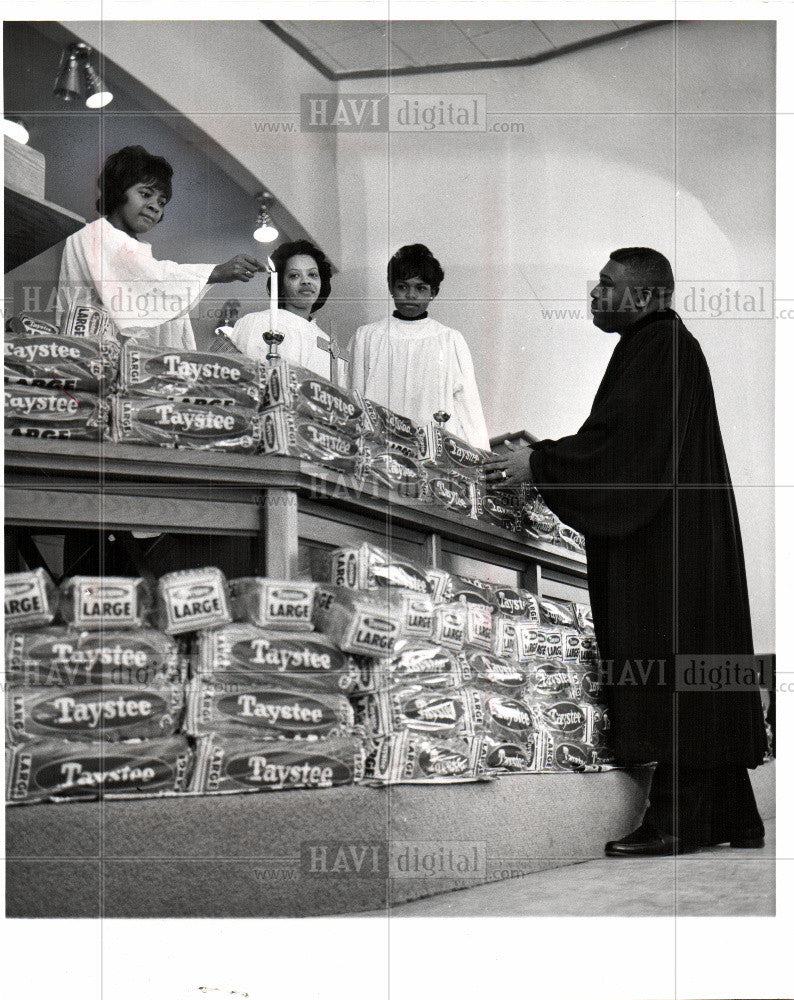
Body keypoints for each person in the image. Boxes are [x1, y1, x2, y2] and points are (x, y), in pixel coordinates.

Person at [482, 247, 767, 856]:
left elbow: (626, 452)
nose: (594, 294)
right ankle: (731, 818)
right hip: (687, 538)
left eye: (607, 285)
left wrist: (540, 463)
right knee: (697, 666)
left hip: (664, 545)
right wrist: (549, 452)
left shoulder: (658, 347)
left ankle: (678, 823)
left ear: (641, 297)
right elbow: (621, 442)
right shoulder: (667, 345)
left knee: (670, 664)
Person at [56, 145, 265, 350]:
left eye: (162, 202)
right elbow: (147, 280)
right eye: (146, 194)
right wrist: (215, 272)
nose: (155, 206)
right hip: (87, 356)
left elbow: (157, 298)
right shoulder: (92, 234)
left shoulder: (142, 254)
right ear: (118, 192)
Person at [347, 244, 489, 448]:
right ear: (391, 288)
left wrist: (481, 457)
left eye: (420, 288)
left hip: (434, 452)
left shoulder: (449, 340)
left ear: (434, 292)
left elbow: (469, 406)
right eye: (403, 287)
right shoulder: (367, 336)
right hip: (378, 448)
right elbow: (354, 393)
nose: (411, 295)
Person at [228, 239, 335, 379]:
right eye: (294, 275)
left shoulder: (327, 343)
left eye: (313, 274)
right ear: (281, 287)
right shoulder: (255, 322)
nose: (306, 281)